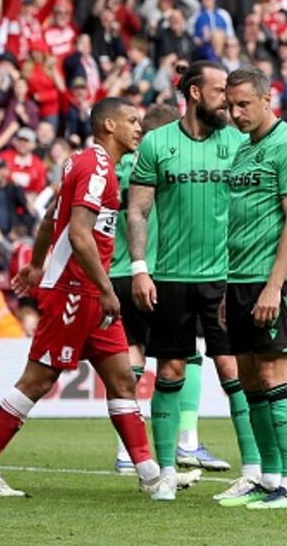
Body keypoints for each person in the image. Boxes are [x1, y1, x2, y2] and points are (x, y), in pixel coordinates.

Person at [0, 98, 199, 499]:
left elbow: (53, 214)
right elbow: (78, 234)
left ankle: (149, 475)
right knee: (38, 380)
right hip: (76, 291)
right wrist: (106, 289)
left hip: (85, 289)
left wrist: (36, 264)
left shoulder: (80, 162)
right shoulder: (98, 167)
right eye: (131, 121)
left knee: (122, 379)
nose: (139, 128)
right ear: (109, 125)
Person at [128, 61, 260, 501]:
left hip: (224, 279)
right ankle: (165, 471)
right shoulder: (156, 144)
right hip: (169, 278)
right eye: (221, 90)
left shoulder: (238, 142)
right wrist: (140, 267)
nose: (229, 99)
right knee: (169, 369)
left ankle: (254, 470)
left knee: (234, 370)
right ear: (195, 94)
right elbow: (139, 211)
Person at [217, 66, 287, 509]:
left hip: (275, 280)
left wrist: (274, 286)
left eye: (243, 105)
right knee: (252, 379)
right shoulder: (241, 151)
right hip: (238, 281)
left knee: (275, 375)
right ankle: (268, 477)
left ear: (266, 99)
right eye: (230, 106)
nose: (236, 113)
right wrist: (225, 288)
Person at [108, 103, 177, 474]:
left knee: (131, 354)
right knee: (180, 357)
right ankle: (187, 440)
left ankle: (124, 450)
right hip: (153, 271)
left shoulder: (113, 167)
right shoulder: (163, 164)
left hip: (114, 272)